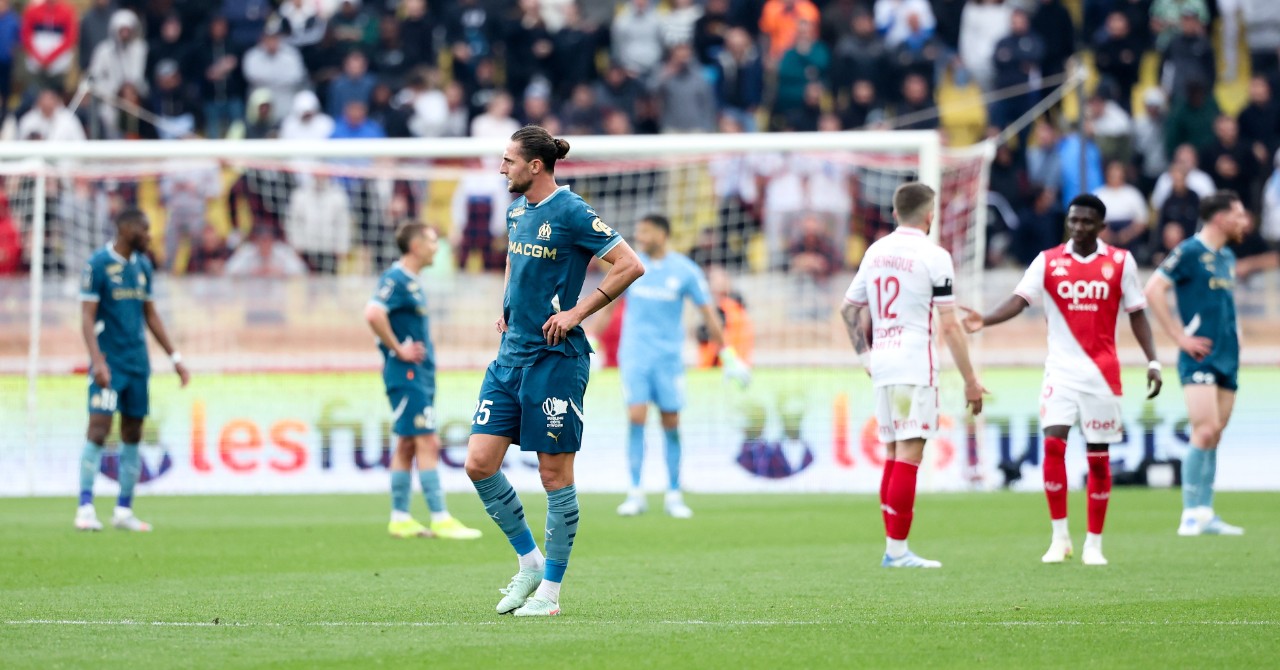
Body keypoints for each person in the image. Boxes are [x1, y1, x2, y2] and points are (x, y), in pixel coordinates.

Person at [464, 126, 645, 617]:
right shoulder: (516, 211)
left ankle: (550, 593)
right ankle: (529, 563)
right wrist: (506, 306)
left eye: (508, 160)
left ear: (535, 166)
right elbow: (513, 260)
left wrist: (576, 313)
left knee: (553, 474)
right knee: (478, 463)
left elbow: (629, 264)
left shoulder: (571, 211)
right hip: (510, 356)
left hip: (556, 359)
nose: (501, 168)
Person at [962, 194, 1162, 566]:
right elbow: (1019, 300)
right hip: (1061, 372)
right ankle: (1060, 538)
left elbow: (1137, 314)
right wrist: (984, 320)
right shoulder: (1048, 261)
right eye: (1073, 220)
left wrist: (1153, 360)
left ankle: (1094, 544)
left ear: (1101, 226)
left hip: (1102, 375)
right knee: (1053, 446)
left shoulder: (1121, 262)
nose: (1078, 227)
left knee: (1098, 460)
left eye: (1086, 221)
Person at [840, 182, 985, 569]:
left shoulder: (875, 251)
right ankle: (898, 551)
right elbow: (950, 325)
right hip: (914, 363)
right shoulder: (934, 256)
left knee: (892, 452)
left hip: (883, 362)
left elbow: (848, 309)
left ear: (895, 212)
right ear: (930, 215)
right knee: (909, 453)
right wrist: (970, 380)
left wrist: (865, 357)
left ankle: (893, 550)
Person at [603, 214, 748, 519]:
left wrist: (728, 355)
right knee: (636, 417)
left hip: (668, 359)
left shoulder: (685, 270)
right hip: (635, 356)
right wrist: (591, 341)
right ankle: (635, 492)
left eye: (645, 232)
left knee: (671, 422)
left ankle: (673, 493)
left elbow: (708, 314)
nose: (640, 237)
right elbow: (607, 305)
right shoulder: (630, 265)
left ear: (662, 234)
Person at [364, 223, 483, 541]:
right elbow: (373, 313)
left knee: (407, 443)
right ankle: (440, 517)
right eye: (432, 241)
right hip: (407, 374)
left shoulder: (411, 281)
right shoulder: (396, 278)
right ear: (415, 246)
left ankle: (400, 518)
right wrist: (398, 348)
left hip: (418, 373)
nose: (436, 246)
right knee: (428, 441)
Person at [75, 209, 191, 532]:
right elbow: (86, 316)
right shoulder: (98, 264)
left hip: (138, 364)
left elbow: (150, 314)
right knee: (99, 429)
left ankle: (123, 510)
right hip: (109, 363)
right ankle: (85, 507)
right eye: (145, 229)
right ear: (126, 229)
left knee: (133, 434)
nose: (149, 236)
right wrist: (97, 361)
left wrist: (175, 357)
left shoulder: (143, 266)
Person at [1143, 191, 1247, 537]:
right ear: (1220, 218)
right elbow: (1153, 289)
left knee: (1215, 433)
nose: (1244, 221)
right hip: (1199, 355)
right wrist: (1178, 336)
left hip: (1228, 355)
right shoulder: (1189, 251)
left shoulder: (1227, 256)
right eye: (1238, 215)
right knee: (1203, 429)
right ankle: (1189, 514)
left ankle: (1206, 512)